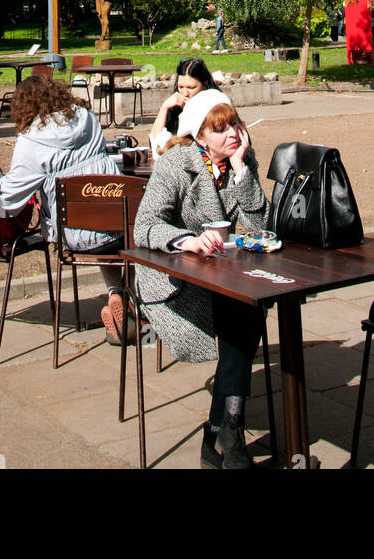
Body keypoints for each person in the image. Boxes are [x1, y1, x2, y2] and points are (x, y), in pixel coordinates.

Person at [133, 92, 272, 469]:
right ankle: (225, 434)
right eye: (221, 128)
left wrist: (243, 171)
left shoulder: (241, 160)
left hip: (222, 274)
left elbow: (262, 228)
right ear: (199, 136)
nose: (232, 134)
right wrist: (187, 240)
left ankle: (225, 430)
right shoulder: (177, 163)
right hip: (174, 278)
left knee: (247, 307)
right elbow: (143, 227)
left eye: (235, 125)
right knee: (242, 316)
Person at [0, 72, 127, 343]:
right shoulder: (87, 118)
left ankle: (121, 301)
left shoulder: (30, 141)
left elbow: (9, 204)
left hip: (72, 232)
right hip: (116, 219)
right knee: (113, 235)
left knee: (91, 231)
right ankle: (120, 296)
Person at [148, 58, 219, 158]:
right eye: (181, 87)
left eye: (191, 87)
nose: (185, 93)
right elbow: (155, 145)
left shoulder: (218, 108)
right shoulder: (174, 108)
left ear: (205, 84)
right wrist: (164, 108)